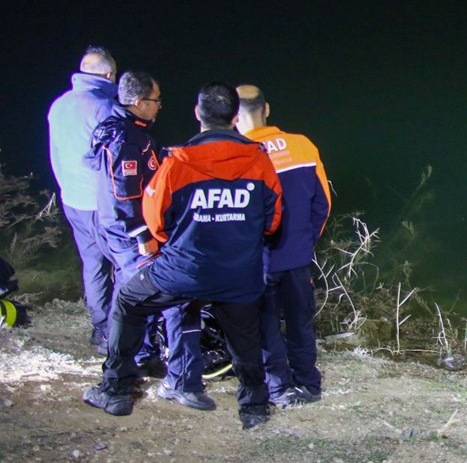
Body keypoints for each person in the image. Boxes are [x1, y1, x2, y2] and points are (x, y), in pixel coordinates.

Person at [83, 82, 283, 430]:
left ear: (197, 114)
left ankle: (115, 390)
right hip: (239, 274)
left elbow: (155, 221)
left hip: (183, 271)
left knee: (129, 301)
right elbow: (272, 221)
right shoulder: (259, 161)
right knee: (246, 338)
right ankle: (254, 408)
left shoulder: (176, 162)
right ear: (235, 118)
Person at [85, 71, 207, 406]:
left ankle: (143, 359)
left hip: (123, 232)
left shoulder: (129, 132)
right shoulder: (125, 139)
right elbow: (124, 195)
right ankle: (128, 381)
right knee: (158, 297)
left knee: (135, 298)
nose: (159, 107)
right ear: (138, 102)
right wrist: (142, 236)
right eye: (156, 100)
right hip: (131, 236)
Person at [236, 84, 330, 407]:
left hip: (256, 261)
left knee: (265, 325)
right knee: (300, 322)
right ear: (267, 109)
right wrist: (306, 242)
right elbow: (323, 204)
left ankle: (280, 388)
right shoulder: (303, 146)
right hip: (297, 256)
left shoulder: (237, 155)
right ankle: (308, 384)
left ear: (235, 117)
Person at [47, 46, 118, 351]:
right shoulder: (104, 108)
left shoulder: (59, 106)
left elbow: (57, 154)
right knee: (124, 265)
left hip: (72, 199)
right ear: (108, 74)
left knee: (93, 265)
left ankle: (99, 328)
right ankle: (117, 332)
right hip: (103, 203)